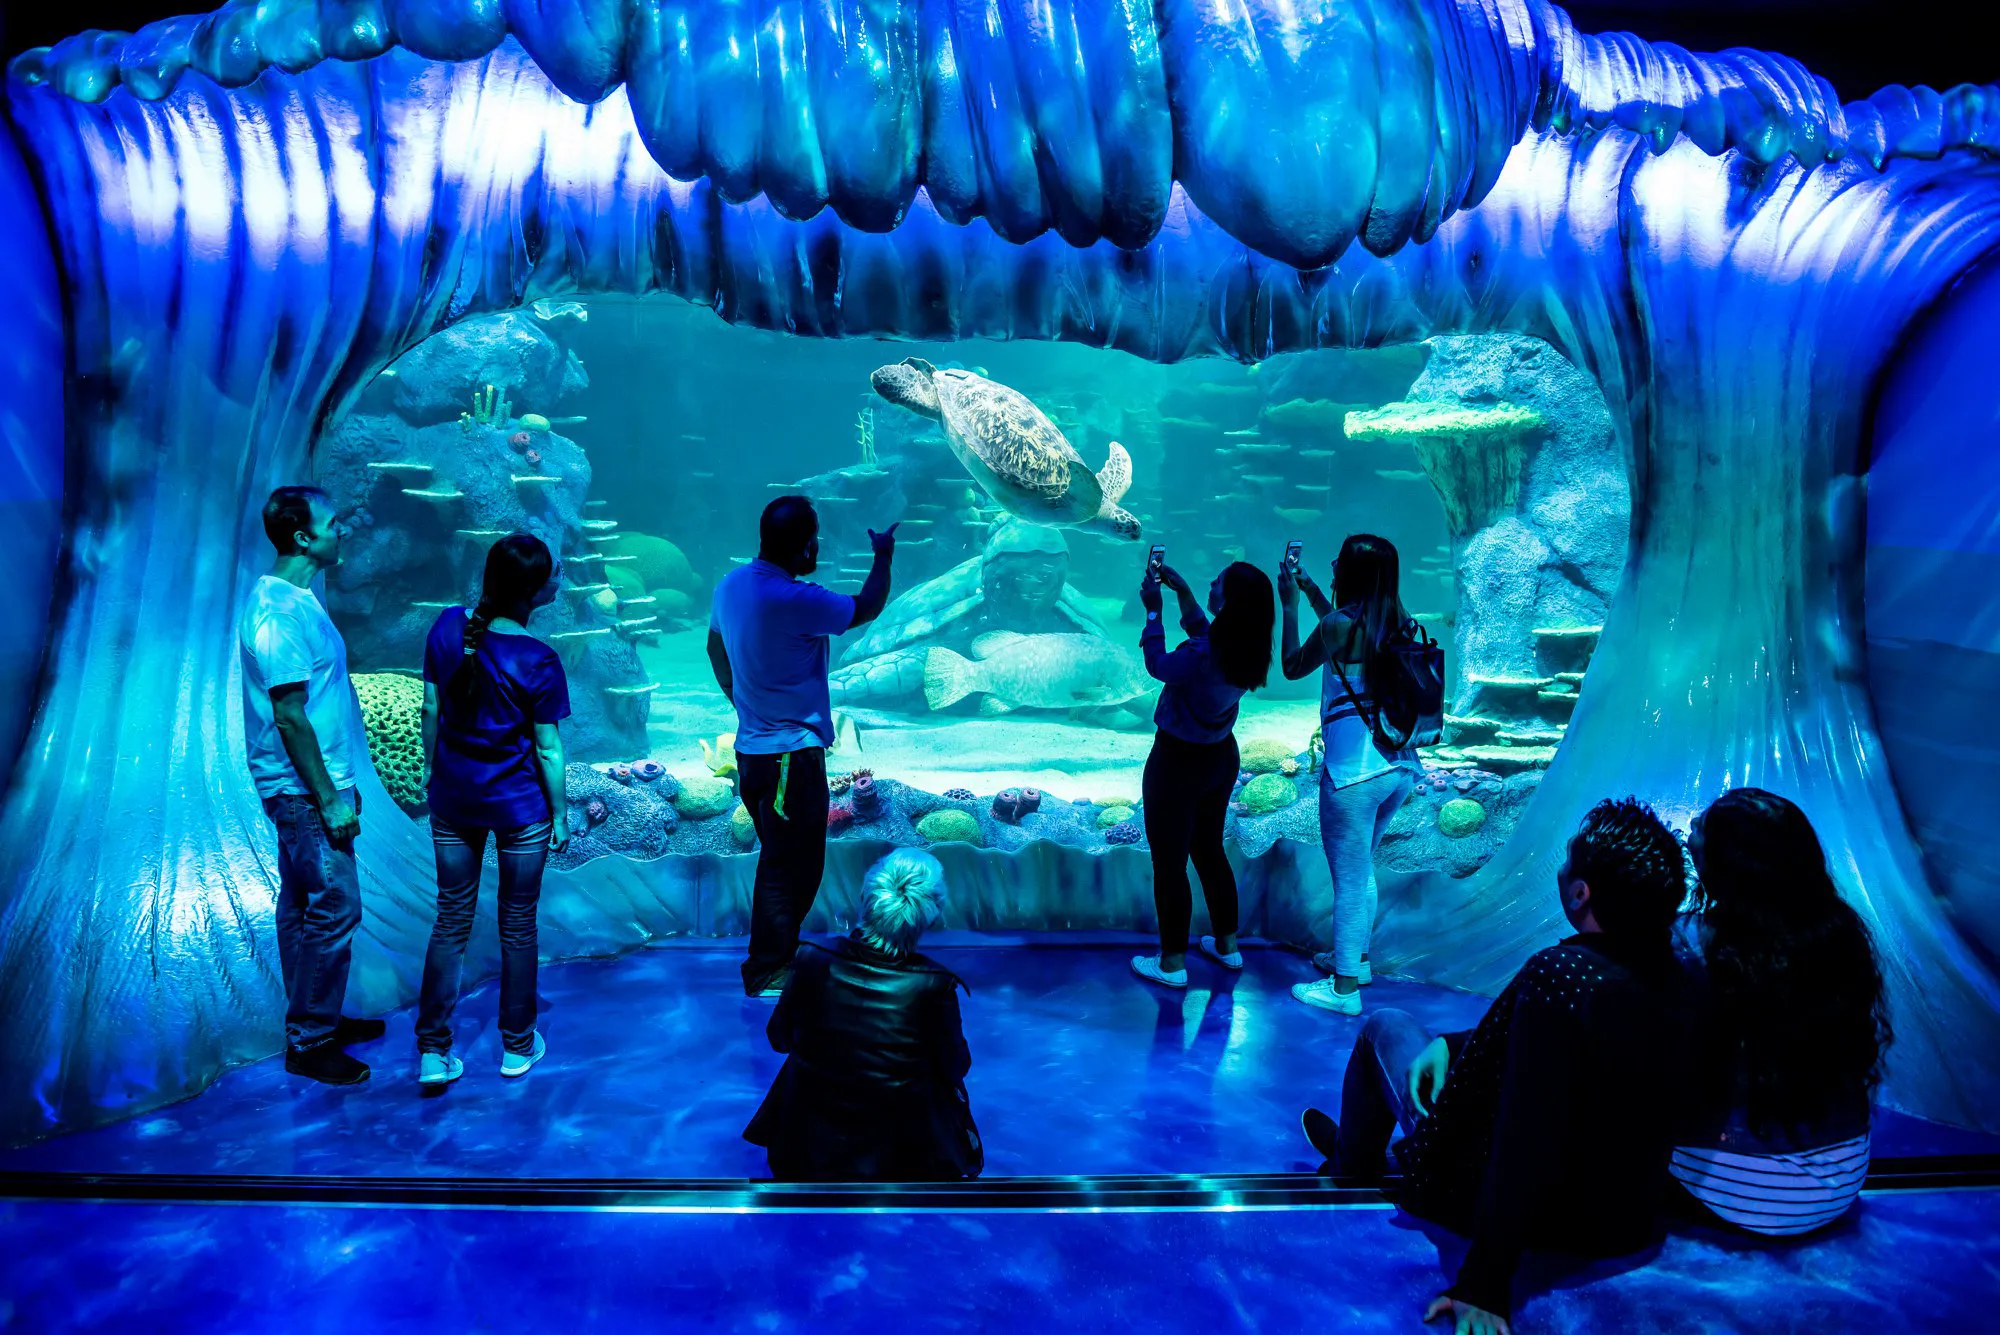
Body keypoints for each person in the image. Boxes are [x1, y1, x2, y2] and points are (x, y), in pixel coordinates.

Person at [1300, 797, 1703, 1334]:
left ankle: (1350, 1168)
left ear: (1581, 893)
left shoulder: (1561, 975)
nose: (1561, 869)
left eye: (1567, 861)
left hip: (1546, 1217)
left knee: (1386, 1026)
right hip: (1627, 1219)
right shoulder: (1680, 968)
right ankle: (1359, 1153)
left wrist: (1485, 1284)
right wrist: (1453, 1042)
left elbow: (1528, 1134)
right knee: (1429, 1047)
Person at [1671, 788, 1891, 1235]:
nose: (1691, 827)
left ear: (1726, 859)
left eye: (1701, 826)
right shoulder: (1840, 933)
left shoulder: (1689, 943)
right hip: (1841, 1181)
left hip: (1740, 1193)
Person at [709, 495, 897, 996]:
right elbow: (867, 607)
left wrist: (740, 700)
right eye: (815, 536)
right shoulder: (796, 599)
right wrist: (883, 555)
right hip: (789, 756)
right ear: (805, 542)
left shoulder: (730, 586)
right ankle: (768, 970)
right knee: (787, 866)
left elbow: (713, 646)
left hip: (754, 752)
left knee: (786, 858)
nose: (819, 544)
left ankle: (778, 957)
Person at [237, 486, 385, 1085]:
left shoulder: (297, 598)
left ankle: (313, 1016)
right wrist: (328, 795)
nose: (342, 529)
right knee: (335, 904)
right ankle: (311, 1040)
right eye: (332, 522)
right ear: (302, 537)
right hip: (303, 788)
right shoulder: (277, 614)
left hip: (312, 783)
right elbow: (290, 714)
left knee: (301, 904)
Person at [414, 534, 572, 1085]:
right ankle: (516, 1046)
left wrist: (432, 768)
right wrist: (563, 812)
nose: (557, 579)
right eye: (551, 573)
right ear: (533, 589)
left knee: (450, 918)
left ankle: (433, 1052)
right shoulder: (538, 659)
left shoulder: (446, 628)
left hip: (454, 800)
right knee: (518, 924)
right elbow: (548, 748)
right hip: (520, 807)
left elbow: (432, 707)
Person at [744, 849, 982, 1181]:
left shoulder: (812, 958)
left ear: (864, 898)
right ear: (934, 914)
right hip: (896, 1162)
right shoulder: (934, 986)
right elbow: (956, 1067)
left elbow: (779, 1039)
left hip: (801, 1151)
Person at [1280, 534, 1422, 1014]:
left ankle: (1343, 991)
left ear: (1353, 573)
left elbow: (1294, 665)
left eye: (1338, 563)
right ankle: (1357, 961)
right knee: (1362, 869)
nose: (1334, 568)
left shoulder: (1341, 626)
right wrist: (1316, 591)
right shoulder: (1402, 623)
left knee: (1348, 878)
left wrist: (1291, 605)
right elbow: (1342, 626)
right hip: (1399, 767)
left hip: (1353, 773)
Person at [1129, 559, 1277, 987]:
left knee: (1169, 862)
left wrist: (1153, 611)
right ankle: (1227, 946)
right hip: (1219, 758)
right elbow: (1204, 634)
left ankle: (1172, 963)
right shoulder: (1246, 647)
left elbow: (1159, 664)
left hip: (1177, 762)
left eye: (1217, 582)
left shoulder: (1202, 654)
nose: (1211, 583)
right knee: (1209, 850)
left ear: (1229, 600)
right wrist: (1184, 593)